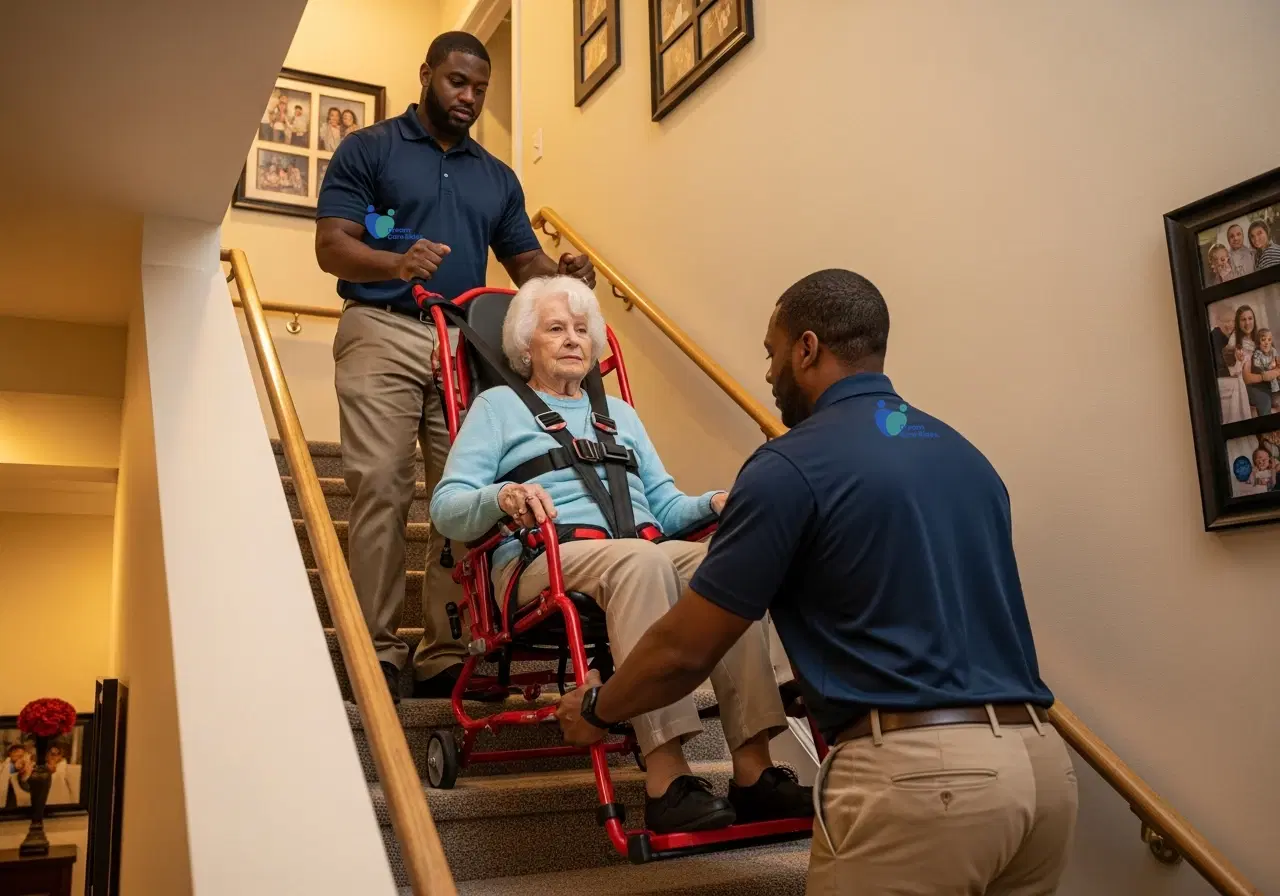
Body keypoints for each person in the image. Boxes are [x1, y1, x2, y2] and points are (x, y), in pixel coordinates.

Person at [557, 269, 1078, 894]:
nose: (771, 374)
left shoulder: (789, 466)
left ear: (807, 348)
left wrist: (598, 708)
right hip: (1043, 772)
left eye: (773, 354)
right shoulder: (965, 457)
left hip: (924, 780)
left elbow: (683, 650)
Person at [429, 275, 810, 833]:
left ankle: (754, 771)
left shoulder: (622, 417)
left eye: (582, 329)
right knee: (644, 561)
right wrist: (502, 496)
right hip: (544, 560)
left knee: (729, 569)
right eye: (556, 328)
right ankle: (667, 777)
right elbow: (445, 506)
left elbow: (667, 506)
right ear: (524, 344)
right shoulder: (496, 408)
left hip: (633, 553)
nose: (572, 339)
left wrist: (719, 501)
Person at [315, 31, 596, 703]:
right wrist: (396, 264)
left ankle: (445, 649)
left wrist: (561, 277)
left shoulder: (496, 177)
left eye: (479, 89)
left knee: (462, 493)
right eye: (457, 83)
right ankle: (376, 649)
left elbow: (522, 259)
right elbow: (332, 246)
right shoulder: (370, 149)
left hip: (464, 342)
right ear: (427, 75)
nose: (468, 97)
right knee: (382, 482)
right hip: (380, 326)